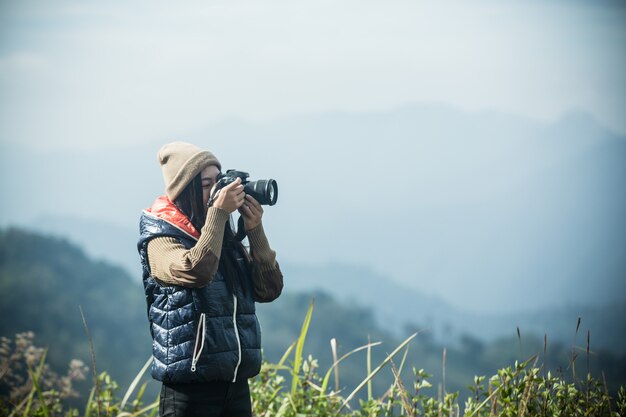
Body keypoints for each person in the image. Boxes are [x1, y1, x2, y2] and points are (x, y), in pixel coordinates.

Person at [137, 141, 283, 417]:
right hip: (189, 392)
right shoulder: (161, 237)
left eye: (219, 181)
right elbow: (196, 270)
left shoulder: (223, 237)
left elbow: (269, 289)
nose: (218, 191)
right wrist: (217, 214)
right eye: (207, 184)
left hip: (235, 385)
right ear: (185, 190)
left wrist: (255, 231)